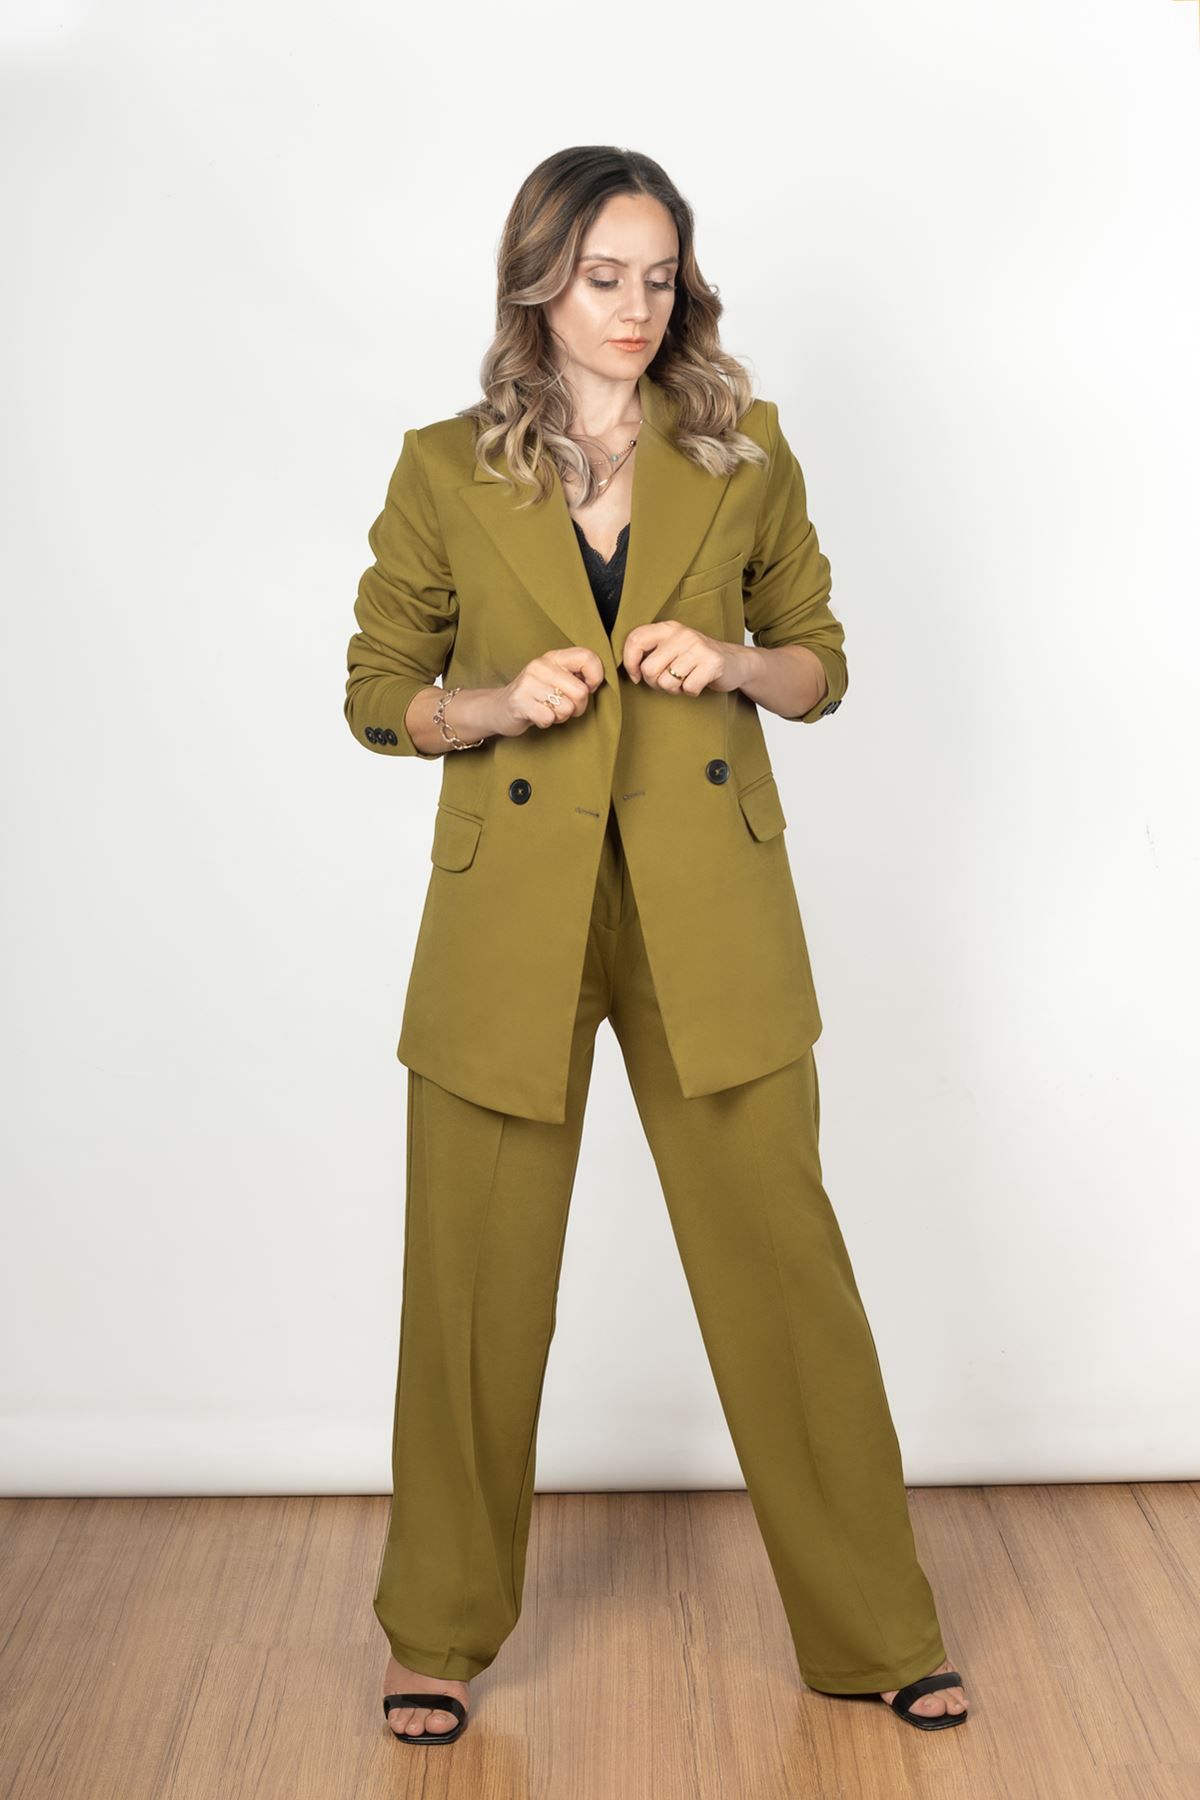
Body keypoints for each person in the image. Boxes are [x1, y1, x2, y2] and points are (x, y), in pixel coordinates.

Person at [344, 146, 970, 1747]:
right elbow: (376, 695)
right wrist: (494, 703)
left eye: (659, 276)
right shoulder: (442, 468)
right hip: (510, 917)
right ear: (538, 283)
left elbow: (822, 664)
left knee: (782, 1270)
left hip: (710, 907)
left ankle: (875, 1626)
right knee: (471, 1287)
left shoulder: (744, 452)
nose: (634, 307)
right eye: (600, 275)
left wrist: (737, 664)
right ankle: (436, 1633)